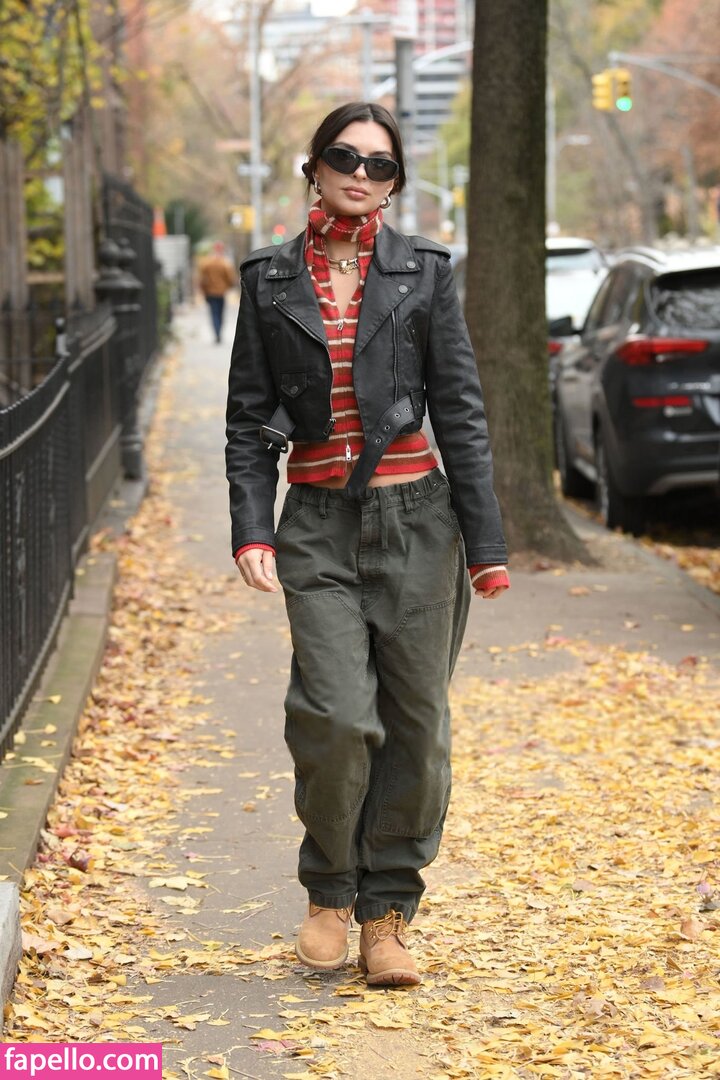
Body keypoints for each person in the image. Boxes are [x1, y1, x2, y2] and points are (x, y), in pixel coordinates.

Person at [225, 102, 509, 988]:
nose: (360, 174)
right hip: (317, 524)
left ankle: (387, 915)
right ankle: (329, 891)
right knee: (338, 715)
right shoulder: (269, 279)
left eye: (379, 165)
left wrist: (486, 542)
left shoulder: (424, 272)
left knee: (417, 728)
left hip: (418, 521)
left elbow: (459, 408)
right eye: (345, 158)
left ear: (394, 183)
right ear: (314, 167)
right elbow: (246, 419)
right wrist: (251, 527)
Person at [197, 241, 236, 343]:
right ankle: (219, 332)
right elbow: (230, 278)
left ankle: (217, 332)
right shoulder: (225, 263)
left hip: (210, 292)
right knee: (220, 313)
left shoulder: (206, 263)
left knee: (214, 313)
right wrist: (229, 286)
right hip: (221, 292)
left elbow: (202, 278)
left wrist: (203, 289)